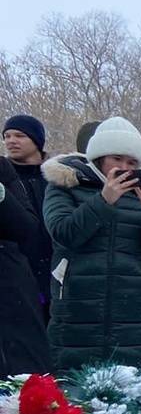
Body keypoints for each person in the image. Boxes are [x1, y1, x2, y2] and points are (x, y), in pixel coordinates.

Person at [41, 117, 141, 372]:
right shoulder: (66, 184)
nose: (124, 167)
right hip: (77, 306)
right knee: (74, 387)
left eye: (131, 162)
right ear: (99, 157)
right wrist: (104, 200)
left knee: (134, 387)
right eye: (116, 158)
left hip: (133, 309)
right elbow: (64, 233)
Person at [0, 154, 52, 378]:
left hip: (9, 284)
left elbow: (26, 228)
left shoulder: (2, 168)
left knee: (26, 375)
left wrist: (1, 194)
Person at [2, 114, 52, 315]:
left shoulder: (56, 178)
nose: (11, 141)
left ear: (37, 140)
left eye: (19, 135)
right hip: (16, 276)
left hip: (57, 275)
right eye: (7, 136)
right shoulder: (4, 179)